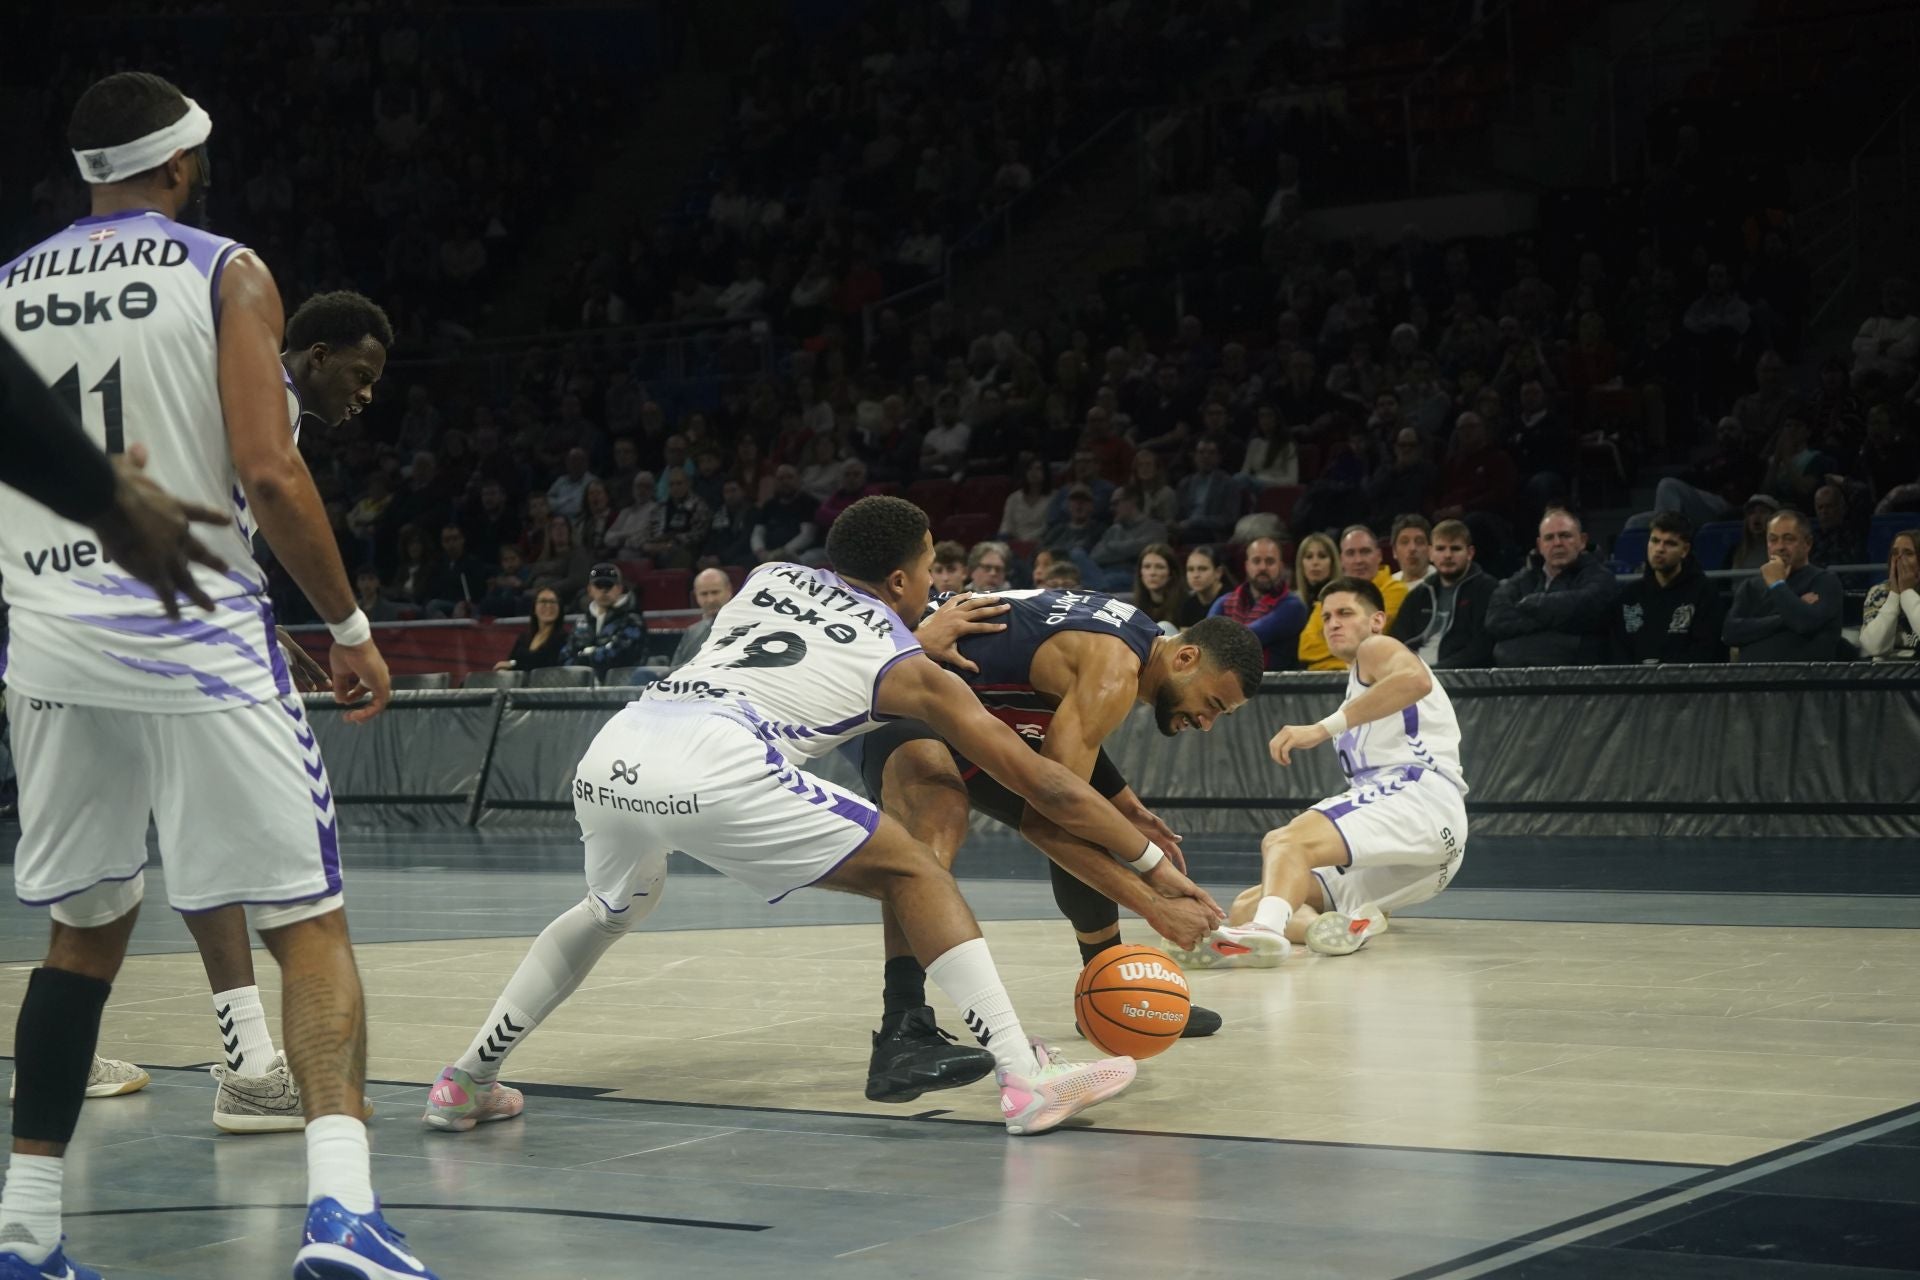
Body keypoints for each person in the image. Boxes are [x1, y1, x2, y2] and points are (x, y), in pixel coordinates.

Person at [0, 72, 425, 1276]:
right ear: (181, 164)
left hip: (48, 646)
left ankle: (26, 1228)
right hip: (196, 636)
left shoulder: (7, 288)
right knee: (309, 920)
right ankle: (342, 1211)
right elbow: (271, 471)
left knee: (82, 928)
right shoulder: (224, 269)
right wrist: (348, 624)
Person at [424, 498, 1165, 1140]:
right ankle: (1024, 1076)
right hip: (717, 761)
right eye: (929, 567)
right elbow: (1041, 782)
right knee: (916, 870)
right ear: (902, 580)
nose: (934, 583)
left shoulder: (767, 576)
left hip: (617, 752)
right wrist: (1153, 866)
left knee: (609, 908)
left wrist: (911, 633)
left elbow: (818, 641)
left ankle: (467, 1080)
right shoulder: (908, 665)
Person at [856, 598, 1263, 1098]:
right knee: (938, 820)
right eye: (1214, 704)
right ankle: (902, 1023)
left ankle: (1112, 990)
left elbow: (1068, 734)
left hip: (966, 698)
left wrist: (1124, 804)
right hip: (904, 691)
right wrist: (1155, 898)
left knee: (1093, 817)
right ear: (1186, 658)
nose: (1207, 722)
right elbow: (1050, 815)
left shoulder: (1133, 634)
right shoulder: (1116, 670)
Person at [1173, 576, 1468, 967]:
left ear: (1377, 621)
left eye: (1345, 613)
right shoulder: (1359, 690)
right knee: (1249, 904)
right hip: (1429, 860)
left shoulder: (1377, 648)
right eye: (1326, 616)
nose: (1333, 623)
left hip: (1418, 798)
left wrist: (1321, 728)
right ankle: (1332, 927)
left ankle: (1266, 932)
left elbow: (1416, 680)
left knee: (1285, 842)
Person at [0, 334, 228, 613]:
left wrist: (106, 496)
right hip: (210, 594)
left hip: (41, 603)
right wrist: (110, 497)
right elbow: (264, 477)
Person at [1485, 509, 1620, 666]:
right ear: (1540, 545)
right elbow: (1495, 619)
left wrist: (1532, 605)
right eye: (1549, 538)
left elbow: (1588, 610)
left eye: (1565, 536)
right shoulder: (1522, 579)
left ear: (1582, 541)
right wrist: (1560, 623)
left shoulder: (1601, 577)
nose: (1557, 543)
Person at [1721, 510, 1843, 662]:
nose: (1780, 547)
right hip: (1753, 675)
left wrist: (1777, 584)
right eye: (1773, 540)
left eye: (1788, 539)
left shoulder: (1825, 581)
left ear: (1808, 543)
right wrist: (1784, 619)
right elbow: (1730, 633)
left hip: (1805, 675)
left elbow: (1804, 623)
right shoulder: (1750, 586)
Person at [1610, 512, 1725, 665]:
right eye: (1655, 541)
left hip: (1686, 678)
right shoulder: (1629, 595)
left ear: (1685, 550)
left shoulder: (1704, 592)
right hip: (1634, 679)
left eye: (1670, 543)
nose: (1659, 549)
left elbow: (1706, 650)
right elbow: (1619, 651)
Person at [1388, 519, 1496, 668]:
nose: (1447, 555)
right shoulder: (1419, 594)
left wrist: (1437, 671)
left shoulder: (1486, 589)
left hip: (1460, 674)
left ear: (1470, 553)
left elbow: (1482, 647)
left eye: (1455, 549)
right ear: (1431, 553)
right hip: (1414, 672)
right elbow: (1395, 641)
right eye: (1440, 549)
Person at [1299, 527, 1409, 671]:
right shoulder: (1331, 594)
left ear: (1379, 555)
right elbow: (1306, 649)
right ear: (1341, 560)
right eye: (1350, 553)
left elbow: (1369, 637)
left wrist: (1330, 656)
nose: (1358, 560)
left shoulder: (1395, 590)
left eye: (1365, 552)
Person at [1207, 537, 1306, 671]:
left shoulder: (1293, 607)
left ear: (1281, 567)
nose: (1262, 567)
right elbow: (1207, 640)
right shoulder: (1223, 603)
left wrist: (1221, 642)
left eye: (1270, 561)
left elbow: (1250, 638)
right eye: (1256, 561)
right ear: (1247, 566)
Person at [561, 563, 650, 676]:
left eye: (609, 585)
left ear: (619, 589)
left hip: (623, 684)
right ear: (590, 590)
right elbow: (565, 657)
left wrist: (583, 655)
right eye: (599, 585)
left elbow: (619, 657)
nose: (604, 590)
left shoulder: (633, 621)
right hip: (583, 685)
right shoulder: (581, 623)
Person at [1072, 487, 1165, 591]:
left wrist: (1111, 546)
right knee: (1077, 553)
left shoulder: (1155, 528)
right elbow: (1095, 556)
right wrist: (1127, 551)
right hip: (1103, 573)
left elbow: (1144, 550)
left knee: (1094, 581)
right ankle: (1100, 588)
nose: (1111, 509)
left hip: (1131, 575)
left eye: (1116, 503)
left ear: (1132, 501)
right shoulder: (1114, 529)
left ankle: (1098, 589)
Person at [1860, 530, 1920, 658]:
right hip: (1888, 668)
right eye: (1895, 553)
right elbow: (1874, 647)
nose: (1899, 559)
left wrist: (1907, 592)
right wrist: (1894, 595)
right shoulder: (1879, 592)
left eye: (1908, 553)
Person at [668, 567, 734, 671]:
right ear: (696, 596)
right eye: (704, 594)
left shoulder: (747, 626)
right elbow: (674, 671)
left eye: (715, 592)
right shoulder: (692, 632)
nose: (710, 600)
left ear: (729, 590)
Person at [422, 523, 491, 618]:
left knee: (434, 606)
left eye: (455, 539)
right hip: (443, 603)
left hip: (467, 606)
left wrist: (463, 603)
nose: (451, 543)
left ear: (462, 540)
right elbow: (430, 591)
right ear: (442, 543)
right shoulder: (438, 564)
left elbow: (478, 593)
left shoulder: (473, 563)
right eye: (447, 540)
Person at [497, 589, 568, 672]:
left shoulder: (564, 639)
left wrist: (514, 665)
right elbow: (512, 660)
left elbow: (548, 666)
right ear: (534, 608)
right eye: (543, 601)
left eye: (553, 602)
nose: (548, 606)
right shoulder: (523, 638)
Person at [1132, 543, 1188, 627]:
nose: (1152, 573)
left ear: (1171, 573)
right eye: (1147, 567)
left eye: (1159, 567)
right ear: (1140, 573)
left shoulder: (1186, 604)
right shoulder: (1134, 606)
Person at [1000, 456, 1052, 542]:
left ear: (1046, 473)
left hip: (1044, 543)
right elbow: (1006, 526)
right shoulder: (1013, 498)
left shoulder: (1054, 497)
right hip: (1016, 544)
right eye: (1029, 469)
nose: (1033, 472)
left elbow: (1051, 527)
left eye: (1038, 469)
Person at [1175, 545, 1230, 628]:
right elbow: (1185, 635)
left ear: (1218, 572)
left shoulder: (1231, 601)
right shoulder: (1188, 604)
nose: (1195, 575)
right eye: (1190, 569)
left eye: (1202, 569)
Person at [1390, 514, 1434, 587]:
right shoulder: (1388, 586)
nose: (1412, 548)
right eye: (1404, 542)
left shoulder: (1442, 582)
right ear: (1394, 551)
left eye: (1419, 542)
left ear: (1430, 549)